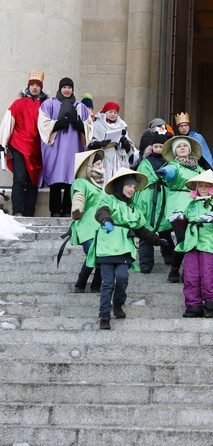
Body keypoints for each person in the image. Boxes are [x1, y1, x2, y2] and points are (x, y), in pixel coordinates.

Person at [86, 168, 168, 330]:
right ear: (120, 186)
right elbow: (101, 212)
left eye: (134, 187)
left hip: (124, 248)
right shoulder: (109, 200)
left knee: (123, 278)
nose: (132, 189)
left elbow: (141, 230)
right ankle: (104, 315)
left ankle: (118, 304)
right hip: (107, 247)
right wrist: (106, 221)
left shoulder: (135, 208)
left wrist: (157, 240)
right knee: (108, 283)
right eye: (129, 186)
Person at [168, 170, 213, 318]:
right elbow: (185, 224)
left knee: (207, 275)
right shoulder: (191, 204)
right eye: (200, 185)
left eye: (206, 185)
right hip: (191, 244)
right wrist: (179, 218)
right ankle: (193, 306)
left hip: (210, 243)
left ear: (212, 187)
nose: (202, 188)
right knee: (190, 276)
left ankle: (212, 305)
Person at [155, 135, 205, 283]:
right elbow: (171, 170)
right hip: (177, 205)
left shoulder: (199, 168)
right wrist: (165, 172)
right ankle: (175, 269)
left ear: (189, 149)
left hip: (195, 205)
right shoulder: (174, 165)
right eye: (178, 146)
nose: (182, 148)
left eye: (185, 145)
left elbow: (209, 181)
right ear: (175, 151)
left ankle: (189, 272)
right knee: (183, 238)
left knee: (195, 240)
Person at [38, 77, 91, 217]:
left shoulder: (81, 107)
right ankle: (55, 210)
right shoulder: (49, 104)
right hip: (55, 147)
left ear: (73, 89)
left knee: (71, 179)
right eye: (64, 87)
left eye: (69, 87)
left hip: (74, 147)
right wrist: (58, 124)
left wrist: (79, 125)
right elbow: (43, 123)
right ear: (60, 88)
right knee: (55, 178)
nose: (67, 90)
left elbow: (89, 125)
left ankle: (67, 210)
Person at [0, 69, 48, 217]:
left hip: (37, 150)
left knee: (33, 183)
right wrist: (2, 143)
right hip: (18, 146)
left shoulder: (45, 106)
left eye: (37, 85)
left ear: (41, 88)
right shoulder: (18, 103)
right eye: (32, 84)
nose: (35, 87)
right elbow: (8, 122)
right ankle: (18, 211)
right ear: (28, 86)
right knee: (20, 180)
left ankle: (29, 212)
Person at [133, 131, 175, 273]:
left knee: (165, 231)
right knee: (145, 233)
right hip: (147, 200)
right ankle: (145, 263)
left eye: (160, 146)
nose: (158, 149)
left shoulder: (170, 163)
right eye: (155, 146)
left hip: (164, 198)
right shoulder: (145, 162)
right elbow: (140, 180)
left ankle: (169, 255)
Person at [70, 149, 105, 293]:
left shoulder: (100, 186)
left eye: (101, 163)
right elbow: (79, 197)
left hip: (100, 226)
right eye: (97, 164)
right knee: (93, 253)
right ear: (88, 167)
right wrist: (77, 208)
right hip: (86, 226)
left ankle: (96, 285)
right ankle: (80, 283)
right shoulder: (81, 182)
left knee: (103, 255)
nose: (101, 166)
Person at [88, 101, 140, 183]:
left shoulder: (121, 125)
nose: (113, 114)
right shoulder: (97, 125)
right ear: (105, 112)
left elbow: (129, 146)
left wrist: (125, 143)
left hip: (119, 158)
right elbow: (90, 143)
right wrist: (101, 143)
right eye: (110, 112)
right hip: (105, 158)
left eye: (115, 112)